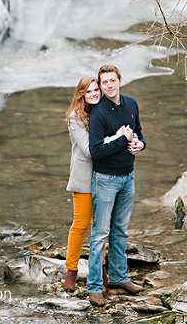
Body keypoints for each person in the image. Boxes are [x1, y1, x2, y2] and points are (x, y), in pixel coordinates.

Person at [86, 65, 146, 307]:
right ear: (100, 86)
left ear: (120, 80)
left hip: (128, 177)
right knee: (100, 234)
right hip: (105, 179)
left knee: (120, 231)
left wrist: (140, 144)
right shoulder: (98, 113)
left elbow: (138, 132)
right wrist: (122, 139)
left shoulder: (131, 103)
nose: (109, 85)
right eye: (104, 82)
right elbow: (96, 151)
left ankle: (119, 278)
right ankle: (94, 288)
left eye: (113, 80)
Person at [62, 76, 124, 292]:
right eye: (89, 91)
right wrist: (117, 137)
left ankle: (101, 269)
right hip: (84, 178)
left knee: (101, 227)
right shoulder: (76, 117)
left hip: (105, 177)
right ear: (82, 95)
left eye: (96, 89)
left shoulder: (106, 110)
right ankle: (71, 271)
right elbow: (90, 150)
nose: (94, 94)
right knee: (80, 225)